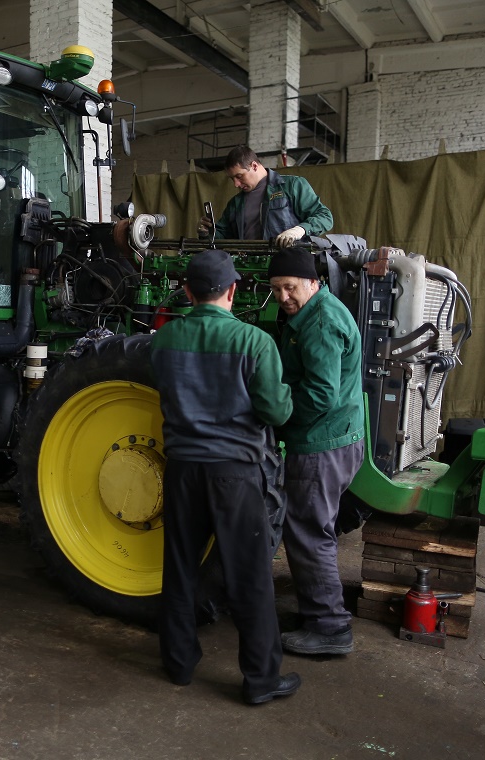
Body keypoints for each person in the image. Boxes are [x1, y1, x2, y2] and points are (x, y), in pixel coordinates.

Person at [150, 249, 300, 705]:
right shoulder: (255, 343)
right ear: (233, 291)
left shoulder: (163, 340)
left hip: (181, 472)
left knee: (179, 569)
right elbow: (275, 410)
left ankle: (178, 664)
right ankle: (259, 680)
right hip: (234, 475)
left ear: (189, 292)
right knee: (250, 576)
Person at [267, 249, 365, 655]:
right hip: (338, 437)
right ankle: (317, 614)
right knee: (314, 529)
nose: (284, 296)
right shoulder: (313, 312)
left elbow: (320, 394)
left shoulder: (320, 322)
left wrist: (274, 421)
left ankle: (330, 628)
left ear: (313, 282)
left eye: (291, 287)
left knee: (309, 533)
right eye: (276, 289)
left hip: (322, 444)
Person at [198, 145, 333, 247]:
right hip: (250, 268)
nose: (236, 184)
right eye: (232, 179)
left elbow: (325, 217)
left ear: (255, 166)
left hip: (288, 266)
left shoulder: (292, 186)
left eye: (239, 176)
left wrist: (299, 230)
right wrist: (207, 232)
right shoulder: (235, 203)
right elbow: (223, 238)